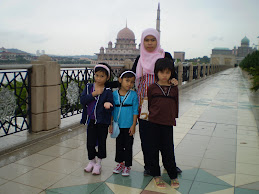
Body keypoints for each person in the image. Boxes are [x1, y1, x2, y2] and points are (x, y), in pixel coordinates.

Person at [131, 28, 181, 176]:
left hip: (162, 101)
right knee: (147, 137)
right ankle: (150, 166)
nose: (150, 43)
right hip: (144, 102)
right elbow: (132, 78)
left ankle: (170, 165)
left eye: (153, 40)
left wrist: (174, 80)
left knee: (165, 137)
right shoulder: (139, 58)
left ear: (157, 40)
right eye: (146, 40)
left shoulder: (165, 55)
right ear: (142, 41)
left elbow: (173, 74)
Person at [147, 58, 179, 189]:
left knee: (168, 150)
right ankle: (156, 175)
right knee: (153, 150)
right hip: (154, 123)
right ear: (156, 73)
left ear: (171, 73)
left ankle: (173, 175)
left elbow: (176, 103)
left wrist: (174, 117)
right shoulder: (152, 88)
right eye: (161, 72)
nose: (164, 75)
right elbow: (149, 104)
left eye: (168, 72)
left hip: (167, 124)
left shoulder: (174, 88)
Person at [80, 63, 114, 175]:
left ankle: (98, 163)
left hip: (102, 121)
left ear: (107, 77)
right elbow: (83, 100)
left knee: (101, 143)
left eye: (102, 76)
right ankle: (91, 161)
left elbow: (111, 105)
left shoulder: (108, 91)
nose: (99, 78)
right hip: (91, 120)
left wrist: (108, 104)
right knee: (90, 143)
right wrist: (94, 94)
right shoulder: (89, 87)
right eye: (97, 75)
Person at [109, 70, 139, 176]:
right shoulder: (114, 94)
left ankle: (127, 166)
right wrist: (111, 124)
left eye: (132, 82)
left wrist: (133, 125)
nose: (129, 84)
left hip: (129, 125)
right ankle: (120, 163)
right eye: (127, 81)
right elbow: (112, 111)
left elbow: (135, 110)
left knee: (128, 145)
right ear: (120, 80)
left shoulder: (133, 95)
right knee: (119, 145)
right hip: (118, 125)